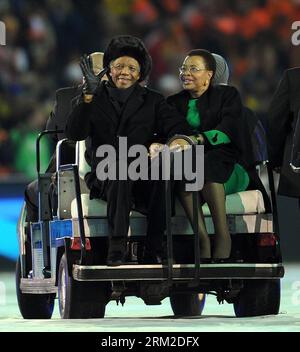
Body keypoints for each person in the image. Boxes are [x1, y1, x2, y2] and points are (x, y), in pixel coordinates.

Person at [65, 35, 194, 266]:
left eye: (131, 67)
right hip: (106, 175)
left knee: (165, 173)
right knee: (120, 170)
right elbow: (74, 134)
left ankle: (154, 248)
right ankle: (116, 247)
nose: (124, 71)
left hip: (142, 174)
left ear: (140, 73)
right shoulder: (92, 97)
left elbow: (179, 129)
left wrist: (162, 144)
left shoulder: (153, 101)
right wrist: (87, 97)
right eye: (119, 66)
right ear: (109, 69)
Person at [167, 49, 249, 262]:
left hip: (227, 165)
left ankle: (223, 236)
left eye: (193, 69)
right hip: (191, 164)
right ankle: (202, 238)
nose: (186, 73)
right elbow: (170, 132)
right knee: (186, 170)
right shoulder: (174, 102)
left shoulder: (227, 96)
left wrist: (196, 140)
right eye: (183, 68)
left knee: (205, 168)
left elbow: (228, 130)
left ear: (210, 75)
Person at [24, 52, 105, 224]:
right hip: (110, 174)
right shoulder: (125, 99)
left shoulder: (65, 97)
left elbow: (52, 132)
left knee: (33, 191)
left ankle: (42, 250)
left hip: (70, 176)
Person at [267, 67, 300, 200]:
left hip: (295, 176)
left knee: (293, 220)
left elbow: (275, 119)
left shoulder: (293, 78)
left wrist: (276, 160)